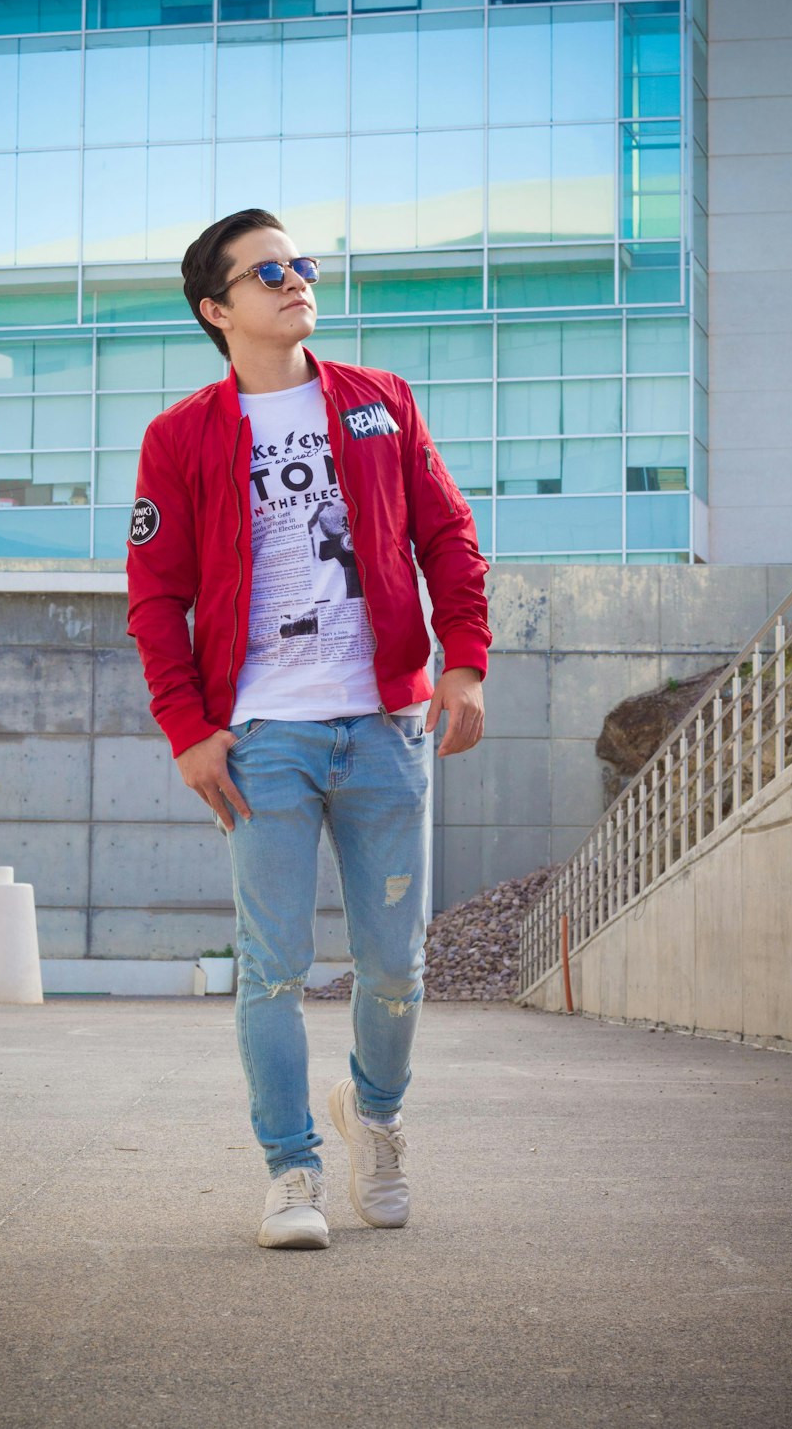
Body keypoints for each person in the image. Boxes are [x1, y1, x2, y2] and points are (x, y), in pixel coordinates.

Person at [126, 209, 491, 1249]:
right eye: (267, 271)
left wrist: (461, 661)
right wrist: (188, 729)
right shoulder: (182, 436)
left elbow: (446, 535)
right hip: (261, 740)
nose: (295, 280)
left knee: (393, 966)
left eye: (301, 264)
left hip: (383, 726)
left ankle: (375, 1116)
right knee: (271, 967)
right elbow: (155, 596)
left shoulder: (380, 402)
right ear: (216, 308)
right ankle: (291, 1170)